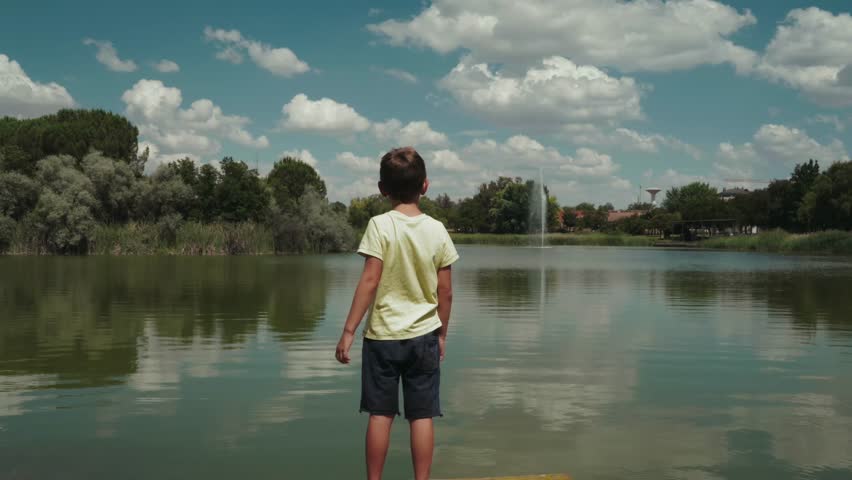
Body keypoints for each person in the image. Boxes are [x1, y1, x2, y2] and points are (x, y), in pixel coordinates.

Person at [335, 146, 458, 480]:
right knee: (422, 416)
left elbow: (370, 279)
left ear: (381, 188)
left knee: (380, 415)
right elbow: (445, 291)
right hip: (424, 338)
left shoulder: (379, 225)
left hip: (383, 338)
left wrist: (348, 331)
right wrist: (442, 333)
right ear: (426, 185)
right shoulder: (437, 229)